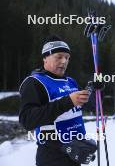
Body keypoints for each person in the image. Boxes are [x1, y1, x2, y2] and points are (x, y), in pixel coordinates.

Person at [19, 35, 97, 166]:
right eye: (59, 57)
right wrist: (68, 101)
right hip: (52, 157)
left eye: (67, 58)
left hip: (76, 152)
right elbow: (27, 120)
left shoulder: (70, 81)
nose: (64, 61)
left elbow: (77, 109)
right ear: (45, 58)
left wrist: (91, 92)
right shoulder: (34, 82)